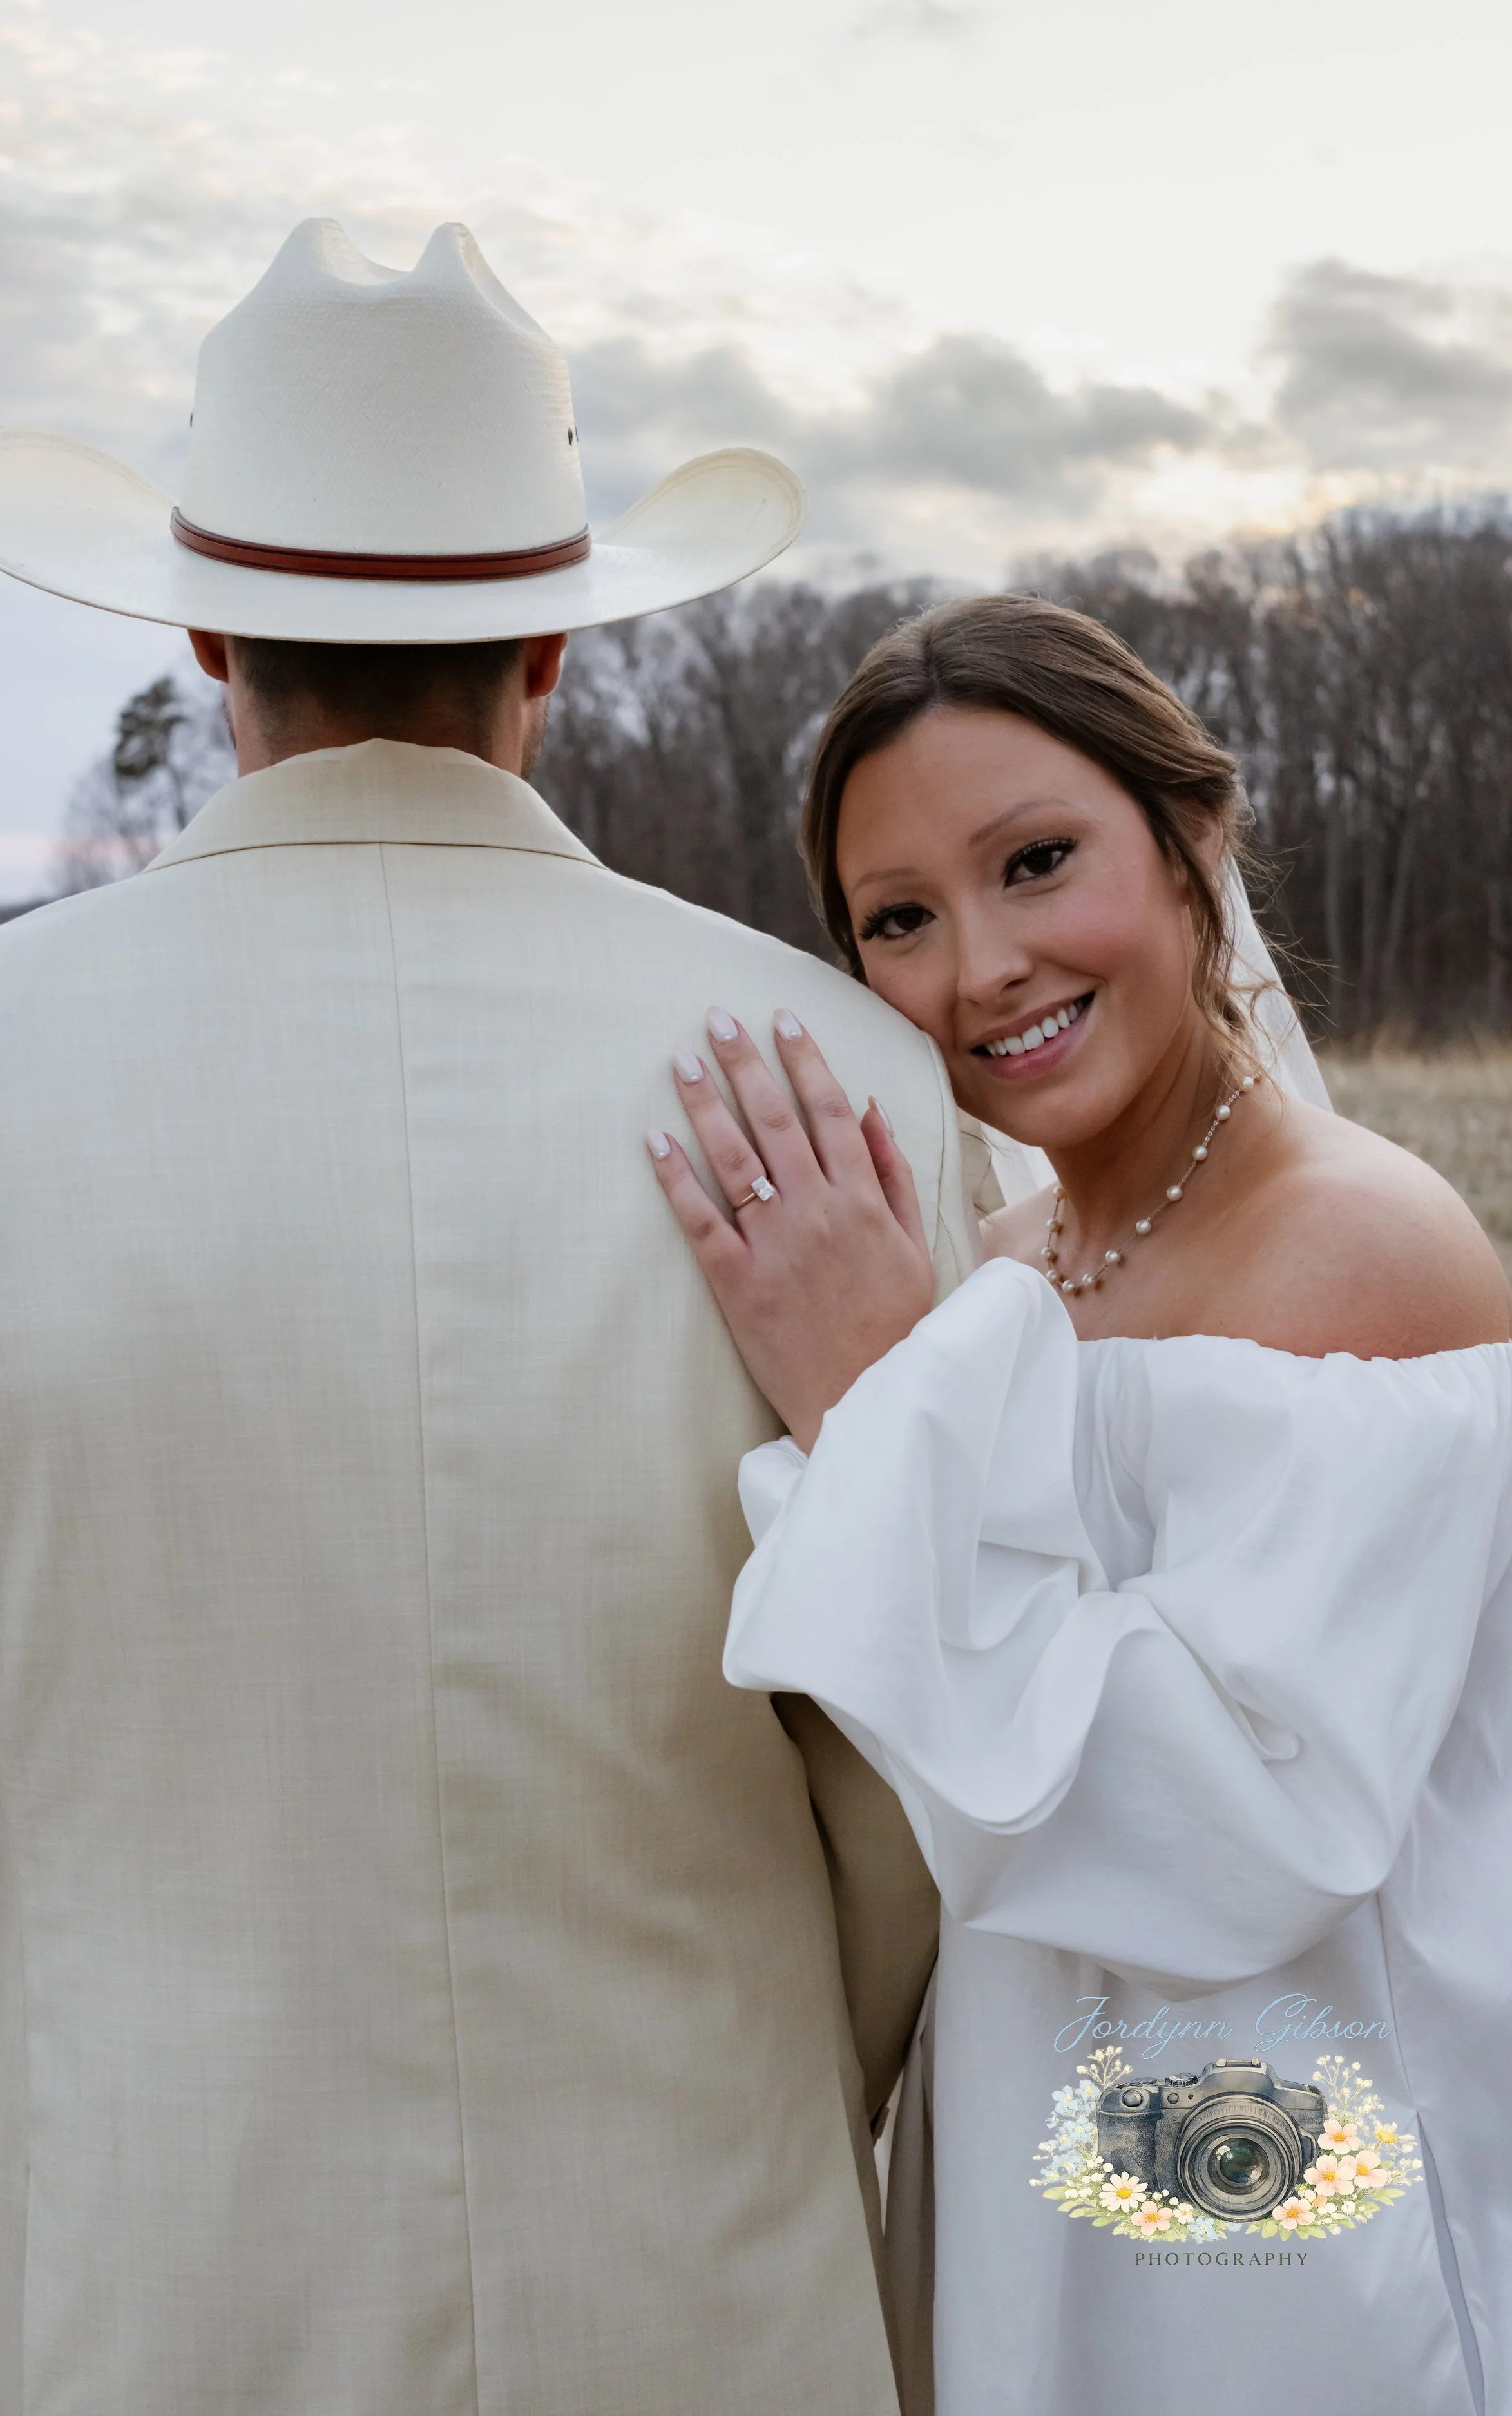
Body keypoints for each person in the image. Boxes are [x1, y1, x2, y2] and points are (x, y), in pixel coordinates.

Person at [0, 220, 981, 2416]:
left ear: (201, 627)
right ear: (553, 640)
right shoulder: (844, 1080)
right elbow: (938, 1761)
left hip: (134, 2271)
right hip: (704, 2266)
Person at [648, 593, 1512, 2416]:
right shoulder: (1004, 1266)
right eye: (900, 919)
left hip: (1306, 2192)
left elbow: (1246, 1824)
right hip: (1051, 2148)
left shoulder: (1355, 1243)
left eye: (1034, 861)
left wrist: (873, 1411)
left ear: (1192, 842)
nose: (981, 964)